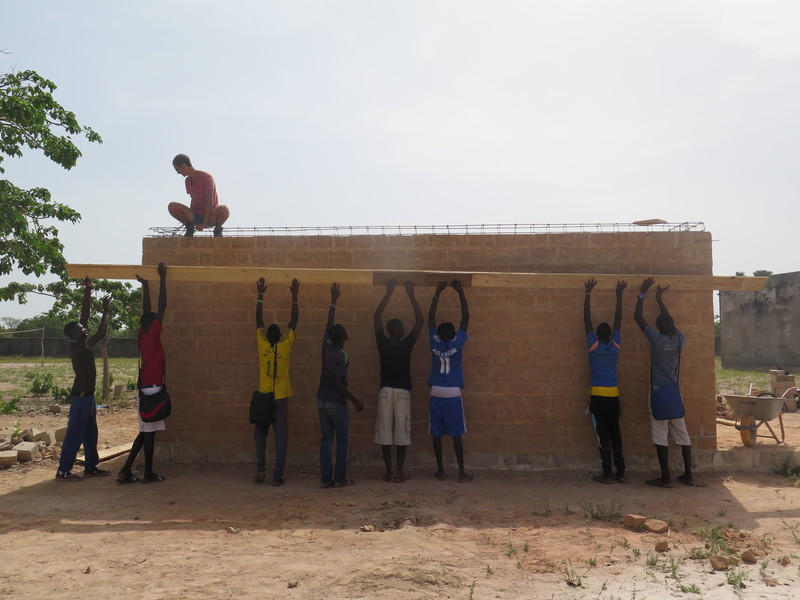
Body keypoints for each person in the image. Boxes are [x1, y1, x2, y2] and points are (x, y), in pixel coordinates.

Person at [634, 277, 703, 488]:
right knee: (682, 434)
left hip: (658, 393)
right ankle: (688, 475)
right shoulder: (678, 340)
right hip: (674, 394)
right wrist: (659, 298)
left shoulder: (657, 339)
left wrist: (642, 294)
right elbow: (669, 320)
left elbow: (637, 317)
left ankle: (665, 478)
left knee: (660, 435)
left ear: (658, 327)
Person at [117, 263, 169, 485]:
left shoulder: (142, 333)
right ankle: (147, 474)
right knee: (149, 434)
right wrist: (163, 279)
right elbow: (162, 306)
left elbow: (147, 310)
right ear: (152, 324)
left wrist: (146, 285)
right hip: (153, 389)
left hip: (145, 388)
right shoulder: (152, 336)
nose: (157, 319)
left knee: (145, 432)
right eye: (154, 319)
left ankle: (126, 470)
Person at [56, 278, 111, 481]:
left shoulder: (80, 339)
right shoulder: (78, 345)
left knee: (90, 434)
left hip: (88, 397)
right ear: (73, 334)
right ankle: (63, 470)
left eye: (84, 328)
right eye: (81, 329)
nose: (84, 329)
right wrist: (105, 311)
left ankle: (91, 467)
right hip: (81, 397)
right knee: (74, 435)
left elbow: (84, 315)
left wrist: (88, 291)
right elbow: (101, 332)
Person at [373, 280, 423, 483]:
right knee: (402, 432)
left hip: (385, 391)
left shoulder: (382, 343)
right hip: (402, 392)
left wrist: (388, 293)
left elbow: (376, 317)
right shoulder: (406, 344)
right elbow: (420, 321)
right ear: (400, 331)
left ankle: (388, 471)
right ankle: (399, 472)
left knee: (385, 432)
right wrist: (411, 294)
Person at [317, 283, 364, 488]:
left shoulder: (325, 348)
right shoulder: (342, 356)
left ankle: (326, 480)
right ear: (344, 338)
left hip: (321, 400)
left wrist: (333, 302)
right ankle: (340, 478)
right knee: (342, 441)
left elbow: (328, 326)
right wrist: (354, 400)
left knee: (327, 440)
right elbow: (338, 382)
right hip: (336, 402)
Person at [253, 277, 299, 486]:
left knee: (261, 434)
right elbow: (293, 322)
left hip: (264, 396)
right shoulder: (285, 345)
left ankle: (261, 469)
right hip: (280, 398)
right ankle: (277, 475)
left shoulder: (263, 345)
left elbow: (258, 321)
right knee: (281, 439)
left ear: (266, 336)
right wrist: (295, 296)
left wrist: (260, 295)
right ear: (280, 335)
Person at [427, 280, 475, 483]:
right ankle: (462, 472)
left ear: (438, 335)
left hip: (436, 391)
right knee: (456, 434)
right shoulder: (457, 343)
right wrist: (460, 292)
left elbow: (430, 318)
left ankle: (440, 471)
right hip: (453, 392)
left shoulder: (434, 342)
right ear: (453, 334)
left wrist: (437, 293)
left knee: (436, 433)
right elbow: (466, 317)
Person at [583, 278, 627, 484]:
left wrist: (587, 294)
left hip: (598, 397)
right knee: (616, 433)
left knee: (602, 435)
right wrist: (619, 296)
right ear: (611, 335)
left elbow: (586, 321)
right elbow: (619, 319)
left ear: (597, 336)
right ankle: (621, 472)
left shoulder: (593, 347)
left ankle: (607, 472)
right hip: (614, 396)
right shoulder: (615, 346)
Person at [168, 153, 230, 238]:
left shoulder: (206, 177)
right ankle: (189, 227)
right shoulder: (187, 181)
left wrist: (204, 223)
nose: (178, 173)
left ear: (183, 166)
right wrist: (190, 219)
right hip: (196, 216)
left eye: (177, 169)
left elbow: (209, 201)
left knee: (224, 210)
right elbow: (193, 199)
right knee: (172, 206)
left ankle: (218, 229)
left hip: (210, 216)